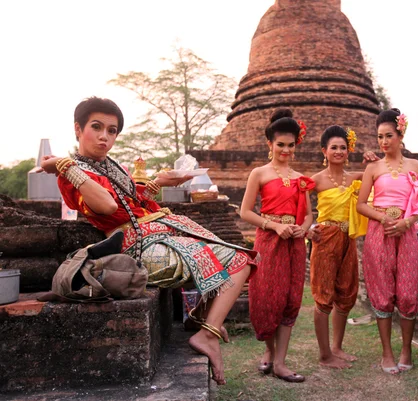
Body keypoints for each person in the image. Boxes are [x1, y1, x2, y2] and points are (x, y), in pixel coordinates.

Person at [40, 97, 256, 386]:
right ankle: (207, 334)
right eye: (97, 127)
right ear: (78, 129)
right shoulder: (73, 175)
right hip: (139, 246)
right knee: (240, 261)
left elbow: (133, 199)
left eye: (112, 131)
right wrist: (65, 165)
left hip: (159, 231)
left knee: (237, 254)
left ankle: (200, 318)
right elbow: (106, 206)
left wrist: (162, 182)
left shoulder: (111, 166)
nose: (105, 137)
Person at [240, 108, 315, 383]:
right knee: (266, 298)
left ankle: (281, 363)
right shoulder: (259, 173)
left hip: (293, 243)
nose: (285, 150)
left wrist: (303, 228)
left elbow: (308, 214)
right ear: (269, 143)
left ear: (297, 145)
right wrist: (274, 226)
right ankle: (269, 351)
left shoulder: (301, 179)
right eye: (280, 144)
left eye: (290, 145)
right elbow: (245, 212)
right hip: (268, 240)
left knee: (289, 300)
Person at [356, 108, 418, 374]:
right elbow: (362, 205)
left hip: (407, 232)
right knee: (383, 295)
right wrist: (383, 218)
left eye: (389, 136)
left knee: (408, 294)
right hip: (380, 232)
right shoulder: (373, 168)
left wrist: (407, 223)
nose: (384, 142)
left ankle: (406, 349)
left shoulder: (415, 166)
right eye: (380, 137)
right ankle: (387, 353)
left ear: (400, 135)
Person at [308, 125, 375, 369]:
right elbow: (300, 207)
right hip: (325, 237)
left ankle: (336, 347)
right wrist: (307, 228)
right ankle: (325, 355)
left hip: (349, 237)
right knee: (323, 295)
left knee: (346, 292)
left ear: (349, 151)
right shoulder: (315, 180)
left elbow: (379, 177)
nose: (338, 151)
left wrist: (371, 161)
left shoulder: (356, 177)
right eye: (333, 147)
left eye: (343, 148)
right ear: (324, 151)